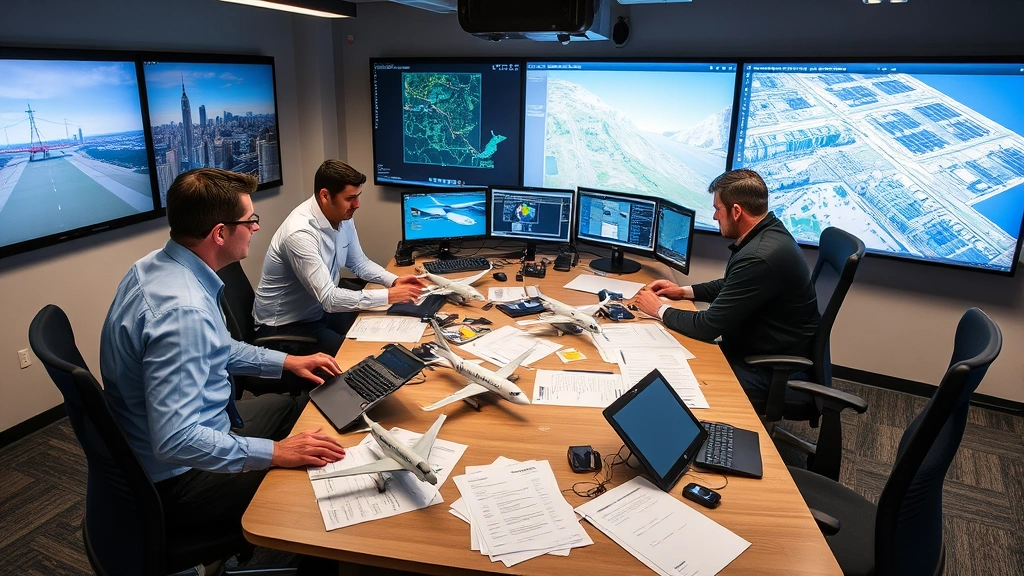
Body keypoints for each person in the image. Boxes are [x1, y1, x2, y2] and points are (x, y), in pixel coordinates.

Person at [100, 168, 348, 556]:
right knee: (315, 480)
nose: (256, 229)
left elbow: (218, 347)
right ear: (219, 233)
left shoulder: (157, 266)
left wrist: (288, 362)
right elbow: (176, 440)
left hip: (204, 425)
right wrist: (276, 454)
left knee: (300, 407)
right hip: (181, 480)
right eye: (250, 221)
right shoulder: (183, 310)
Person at [633, 169, 819, 406]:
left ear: (737, 211)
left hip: (764, 369)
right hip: (757, 348)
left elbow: (708, 327)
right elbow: (734, 284)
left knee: (675, 381)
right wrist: (684, 292)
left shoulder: (759, 257)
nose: (714, 217)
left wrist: (658, 309)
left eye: (717, 209)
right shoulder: (768, 233)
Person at [253, 159, 425, 356]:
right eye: (350, 198)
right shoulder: (300, 233)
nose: (357, 205)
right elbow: (329, 299)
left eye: (358, 197)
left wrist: (393, 281)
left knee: (385, 327)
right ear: (325, 196)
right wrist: (389, 295)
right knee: (360, 355)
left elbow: (359, 263)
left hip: (317, 312)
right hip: (285, 327)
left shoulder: (341, 217)